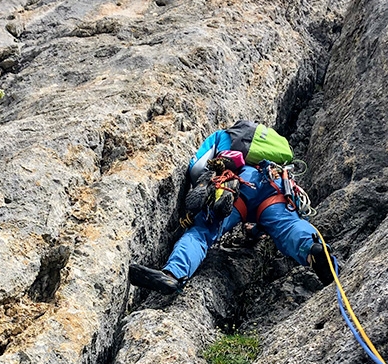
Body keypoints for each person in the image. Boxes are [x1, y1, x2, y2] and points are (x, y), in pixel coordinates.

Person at [129, 120, 335, 295]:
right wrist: (254, 231)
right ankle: (313, 251)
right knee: (289, 226)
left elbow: (198, 166)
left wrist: (201, 187)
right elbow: (269, 224)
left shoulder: (222, 136)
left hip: (238, 183)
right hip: (275, 184)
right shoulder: (275, 151)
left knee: (203, 231)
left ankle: (172, 274)